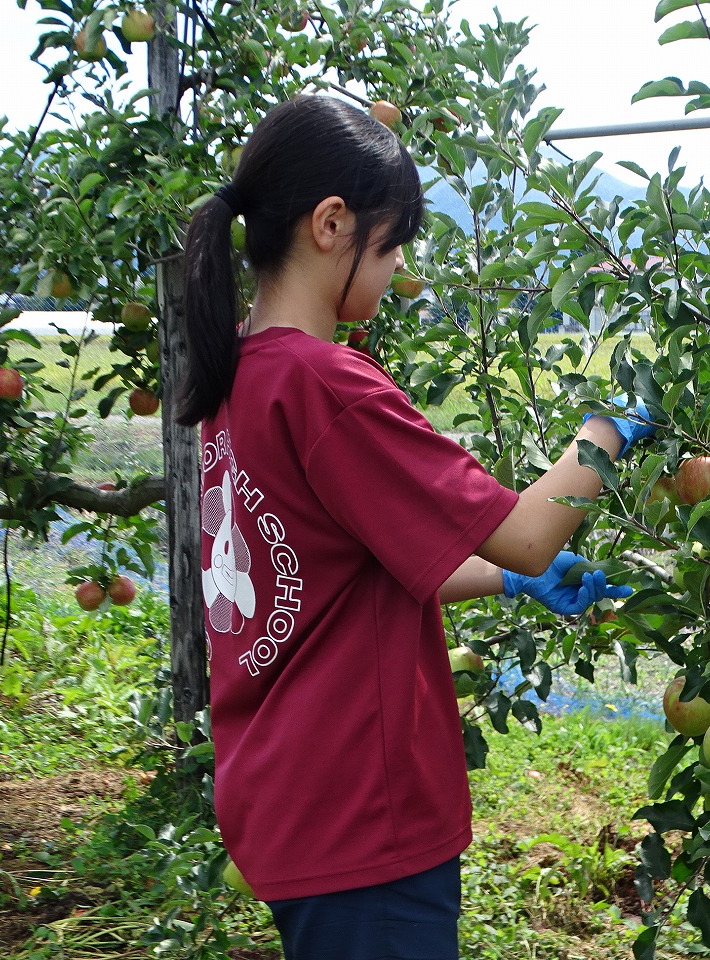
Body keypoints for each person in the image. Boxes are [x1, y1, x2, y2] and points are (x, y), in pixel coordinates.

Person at [176, 95, 657, 960]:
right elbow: (526, 530)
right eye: (391, 243)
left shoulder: (241, 375)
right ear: (332, 224)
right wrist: (607, 430)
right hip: (362, 815)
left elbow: (336, 572)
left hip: (288, 798)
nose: (399, 265)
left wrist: (508, 580)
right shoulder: (328, 384)